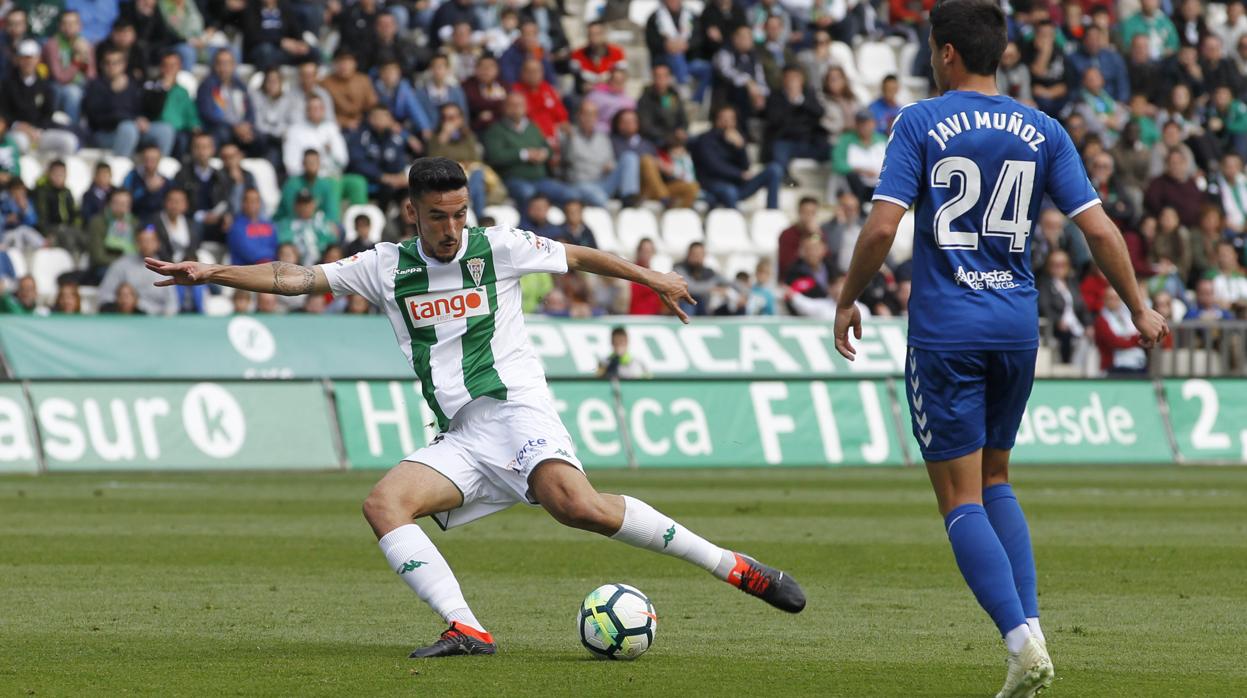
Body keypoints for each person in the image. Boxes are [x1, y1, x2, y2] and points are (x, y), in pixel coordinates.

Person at [146, 156, 806, 658]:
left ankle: (735, 566)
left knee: (576, 507)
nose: (453, 227)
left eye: (461, 212)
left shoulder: (498, 248)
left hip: (517, 409)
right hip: (462, 433)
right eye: (440, 216)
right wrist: (213, 272)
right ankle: (467, 628)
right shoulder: (385, 266)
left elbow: (576, 256)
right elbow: (297, 279)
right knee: (383, 505)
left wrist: (651, 277)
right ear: (414, 212)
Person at [832, 2, 1167, 695]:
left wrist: (847, 297)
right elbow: (1099, 229)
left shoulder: (919, 121)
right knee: (996, 478)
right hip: (1016, 326)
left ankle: (1019, 644)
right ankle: (1032, 629)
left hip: (945, 332)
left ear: (946, 52)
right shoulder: (1041, 128)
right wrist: (1138, 304)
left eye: (931, 46)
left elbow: (879, 229)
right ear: (1002, 53)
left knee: (958, 499)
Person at [689, 105, 782, 209]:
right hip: (714, 185)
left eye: (731, 119)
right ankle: (735, 222)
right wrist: (739, 174)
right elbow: (714, 166)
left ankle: (772, 211)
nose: (728, 122)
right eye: (724, 118)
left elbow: (746, 166)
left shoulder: (736, 138)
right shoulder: (705, 140)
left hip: (738, 186)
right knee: (729, 191)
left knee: (774, 169)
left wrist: (741, 148)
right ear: (716, 120)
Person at [99, 225, 179, 315]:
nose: (146, 245)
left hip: (157, 320)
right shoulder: (121, 265)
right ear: (136, 243)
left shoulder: (166, 268)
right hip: (128, 319)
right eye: (142, 241)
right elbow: (105, 296)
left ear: (157, 244)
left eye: (150, 241)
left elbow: (172, 304)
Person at [227, 187, 277, 265]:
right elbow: (248, 253)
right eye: (249, 201)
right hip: (246, 271)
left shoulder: (268, 224)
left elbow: (276, 247)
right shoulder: (236, 227)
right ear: (243, 203)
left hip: (269, 269)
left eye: (256, 201)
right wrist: (270, 259)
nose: (253, 204)